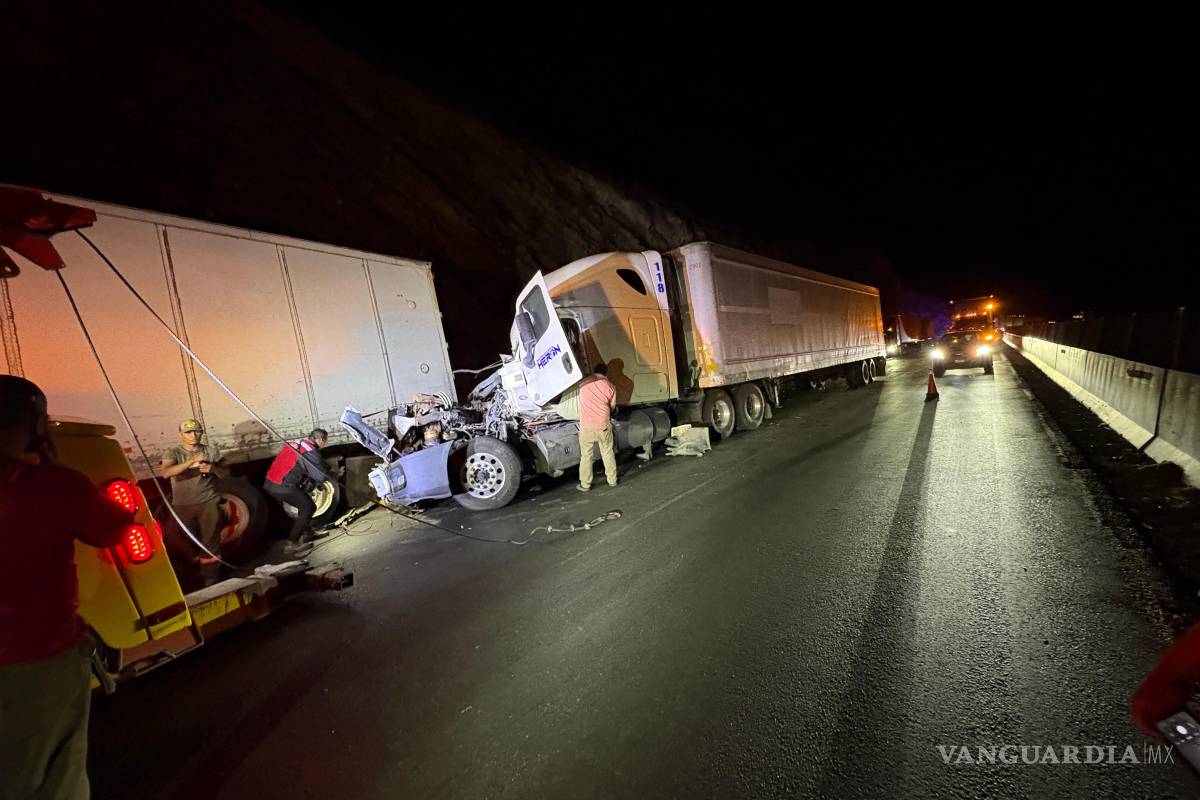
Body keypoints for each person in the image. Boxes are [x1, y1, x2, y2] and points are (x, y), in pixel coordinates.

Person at [0, 375, 132, 800]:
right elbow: (115, 526)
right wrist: (54, 466)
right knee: (54, 775)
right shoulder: (51, 486)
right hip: (36, 662)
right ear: (35, 426)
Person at [160, 419, 225, 586]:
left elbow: (227, 473)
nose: (193, 435)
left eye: (197, 431)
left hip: (207, 501)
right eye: (188, 432)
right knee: (177, 536)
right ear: (181, 435)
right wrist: (190, 462)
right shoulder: (173, 453)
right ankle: (192, 566)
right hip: (182, 504)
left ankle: (211, 578)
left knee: (211, 541)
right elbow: (166, 472)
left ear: (201, 432)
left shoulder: (211, 451)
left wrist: (214, 469)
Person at [263, 429, 331, 554]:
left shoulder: (297, 443)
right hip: (282, 485)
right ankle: (291, 544)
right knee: (308, 507)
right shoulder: (310, 451)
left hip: (270, 482)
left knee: (304, 502)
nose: (324, 444)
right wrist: (334, 474)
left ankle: (307, 533)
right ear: (320, 439)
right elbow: (320, 476)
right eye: (325, 441)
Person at [577, 363, 618, 491]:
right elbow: (612, 408)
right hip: (603, 426)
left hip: (586, 426)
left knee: (586, 455)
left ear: (594, 371)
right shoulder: (610, 386)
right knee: (607, 452)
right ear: (606, 373)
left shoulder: (583, 383)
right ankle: (612, 480)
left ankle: (585, 484)